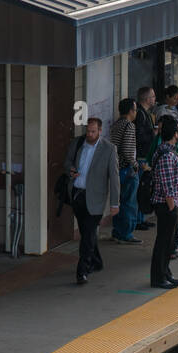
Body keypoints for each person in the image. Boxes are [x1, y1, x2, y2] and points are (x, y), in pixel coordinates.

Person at [66, 118, 120, 285]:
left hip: (96, 199)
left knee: (88, 235)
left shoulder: (109, 149)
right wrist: (71, 170)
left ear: (100, 131)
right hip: (78, 195)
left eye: (93, 131)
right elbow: (67, 162)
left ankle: (82, 270)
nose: (89, 134)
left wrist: (114, 203)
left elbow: (114, 177)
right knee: (86, 233)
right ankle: (97, 261)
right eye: (88, 131)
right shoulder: (78, 143)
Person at [149, 116, 178, 289]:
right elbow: (166, 185)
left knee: (169, 242)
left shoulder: (167, 151)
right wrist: (172, 206)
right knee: (163, 242)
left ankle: (166, 273)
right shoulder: (166, 155)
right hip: (165, 205)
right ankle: (158, 277)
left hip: (170, 204)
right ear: (175, 134)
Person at [110, 98, 142, 244]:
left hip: (117, 169)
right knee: (129, 203)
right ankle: (126, 234)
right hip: (127, 169)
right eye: (135, 110)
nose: (136, 113)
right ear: (130, 111)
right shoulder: (129, 125)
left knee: (118, 202)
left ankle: (117, 231)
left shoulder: (116, 124)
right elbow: (128, 151)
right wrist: (136, 165)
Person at [132, 87, 156, 232]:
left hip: (144, 156)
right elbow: (139, 137)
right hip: (141, 157)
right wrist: (153, 134)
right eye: (153, 96)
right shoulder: (140, 114)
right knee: (141, 189)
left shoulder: (144, 113)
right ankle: (137, 220)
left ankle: (141, 218)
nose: (154, 99)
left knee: (144, 189)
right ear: (146, 99)